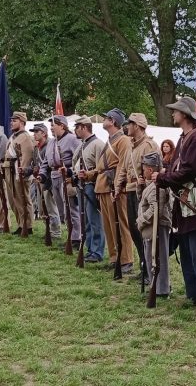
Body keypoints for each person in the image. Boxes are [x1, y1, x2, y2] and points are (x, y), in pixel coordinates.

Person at [153, 97, 196, 317]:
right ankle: (195, 295)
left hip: (195, 198)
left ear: (185, 114)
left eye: (176, 111)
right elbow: (175, 166)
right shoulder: (184, 138)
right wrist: (165, 174)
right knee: (188, 250)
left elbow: (189, 170)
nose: (172, 114)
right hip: (183, 200)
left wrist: (164, 178)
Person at [78, 108, 135, 275]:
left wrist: (117, 187)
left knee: (120, 225)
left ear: (114, 121)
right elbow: (101, 167)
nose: (104, 120)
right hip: (103, 186)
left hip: (113, 187)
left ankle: (126, 260)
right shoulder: (110, 139)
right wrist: (88, 174)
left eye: (106, 118)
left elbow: (123, 165)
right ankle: (114, 258)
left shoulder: (123, 141)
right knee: (109, 226)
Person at [124, 112, 160, 282]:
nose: (127, 127)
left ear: (137, 126)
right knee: (134, 229)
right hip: (131, 190)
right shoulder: (131, 147)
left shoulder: (149, 145)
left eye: (129, 124)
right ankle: (143, 265)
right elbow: (124, 169)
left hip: (144, 192)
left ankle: (150, 269)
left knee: (144, 231)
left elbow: (154, 170)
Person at [44, 115, 82, 249]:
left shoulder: (72, 139)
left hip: (67, 178)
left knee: (71, 210)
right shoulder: (51, 142)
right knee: (62, 211)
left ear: (62, 126)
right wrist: (43, 174)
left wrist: (70, 171)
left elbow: (79, 160)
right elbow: (45, 162)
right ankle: (70, 235)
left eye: (54, 125)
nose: (51, 128)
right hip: (54, 177)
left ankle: (76, 238)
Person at [137, 151, 171, 297]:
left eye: (144, 168)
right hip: (152, 227)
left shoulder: (158, 186)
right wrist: (140, 187)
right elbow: (144, 202)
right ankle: (155, 287)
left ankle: (161, 290)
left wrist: (141, 221)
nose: (143, 171)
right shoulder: (150, 185)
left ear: (150, 170)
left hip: (157, 226)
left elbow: (154, 209)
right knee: (151, 257)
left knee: (158, 258)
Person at [72, 116, 105, 262]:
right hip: (81, 184)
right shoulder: (81, 145)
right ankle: (90, 249)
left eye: (77, 127)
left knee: (94, 220)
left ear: (84, 127)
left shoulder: (98, 144)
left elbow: (101, 168)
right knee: (85, 220)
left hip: (92, 185)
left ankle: (97, 252)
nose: (75, 130)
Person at [3, 112, 34, 236]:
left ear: (21, 122)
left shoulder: (25, 137)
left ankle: (28, 225)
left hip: (18, 171)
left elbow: (26, 156)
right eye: (12, 120)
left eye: (14, 121)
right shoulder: (13, 137)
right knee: (14, 199)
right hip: (10, 169)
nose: (11, 122)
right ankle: (21, 224)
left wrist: (22, 173)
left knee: (23, 199)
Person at [31, 123, 61, 239]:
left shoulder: (50, 145)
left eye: (36, 132)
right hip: (40, 181)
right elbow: (35, 164)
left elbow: (51, 164)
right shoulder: (36, 148)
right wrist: (30, 170)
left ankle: (55, 232)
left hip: (49, 181)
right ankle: (48, 230)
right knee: (43, 208)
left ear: (43, 133)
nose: (34, 134)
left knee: (51, 208)